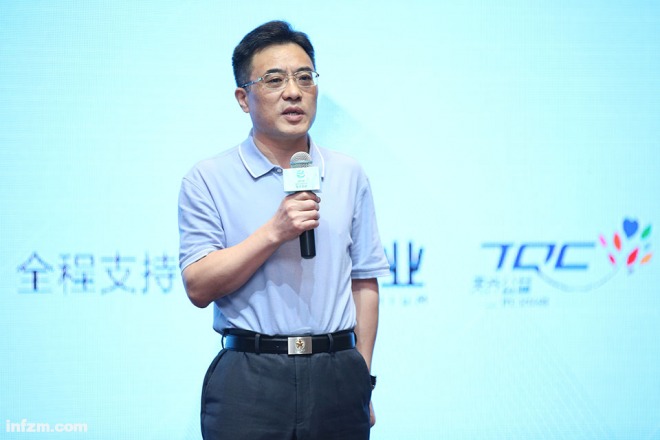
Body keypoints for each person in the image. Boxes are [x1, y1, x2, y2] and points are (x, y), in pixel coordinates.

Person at [178, 20, 390, 440]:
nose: (293, 92)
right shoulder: (207, 178)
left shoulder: (348, 173)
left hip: (337, 374)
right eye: (274, 80)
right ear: (243, 98)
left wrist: (360, 376)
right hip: (250, 377)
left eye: (305, 78)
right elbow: (198, 286)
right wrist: (274, 232)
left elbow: (364, 280)